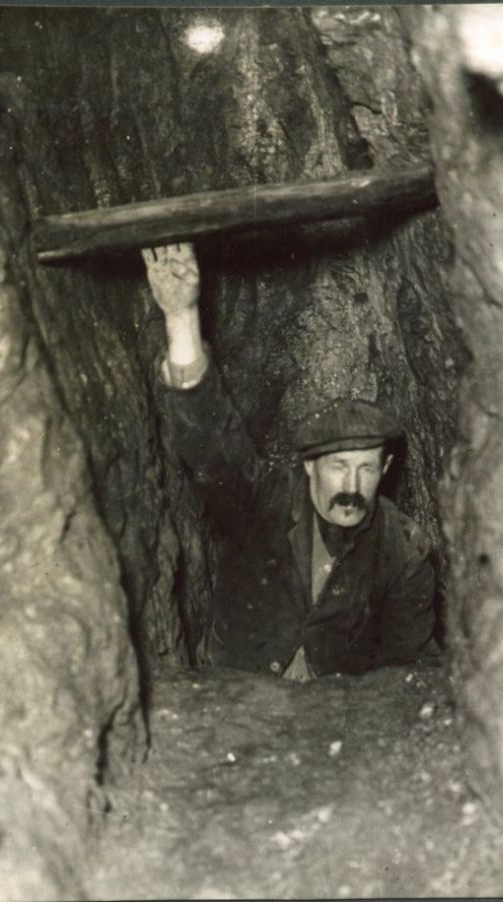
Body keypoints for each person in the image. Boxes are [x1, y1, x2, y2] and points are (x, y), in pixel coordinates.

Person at [143, 243, 437, 680]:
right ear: (308, 466)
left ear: (386, 470)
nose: (352, 483)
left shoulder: (403, 549)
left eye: (367, 467)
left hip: (334, 713)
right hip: (240, 690)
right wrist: (181, 316)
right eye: (338, 466)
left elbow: (405, 663)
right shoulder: (264, 498)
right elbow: (210, 440)